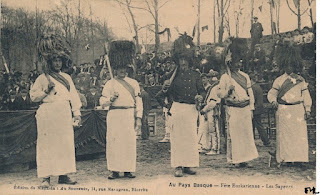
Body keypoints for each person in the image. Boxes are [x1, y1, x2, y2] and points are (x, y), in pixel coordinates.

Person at [30, 34, 81, 187]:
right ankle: (45, 177)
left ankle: (64, 174)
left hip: (64, 114)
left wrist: (77, 114)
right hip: (47, 115)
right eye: (55, 60)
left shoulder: (66, 77)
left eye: (60, 60)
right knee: (47, 144)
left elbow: (74, 97)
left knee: (64, 144)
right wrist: (46, 91)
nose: (57, 63)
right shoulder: (42, 78)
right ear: (49, 62)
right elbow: (33, 97)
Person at [159, 33, 206, 177]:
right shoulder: (171, 77)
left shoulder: (196, 75)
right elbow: (161, 96)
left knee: (191, 138)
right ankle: (178, 166)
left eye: (185, 60)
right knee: (177, 139)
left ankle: (188, 165)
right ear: (177, 60)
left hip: (191, 109)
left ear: (189, 60)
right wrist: (168, 106)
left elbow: (202, 92)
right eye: (181, 60)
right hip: (178, 109)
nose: (183, 63)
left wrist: (200, 97)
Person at [100, 40, 143, 179]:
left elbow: (138, 101)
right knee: (114, 142)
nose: (122, 71)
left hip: (128, 114)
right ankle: (114, 169)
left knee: (128, 142)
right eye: (119, 69)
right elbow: (102, 102)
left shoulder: (134, 83)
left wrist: (139, 118)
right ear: (115, 69)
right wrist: (110, 99)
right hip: (114, 115)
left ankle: (128, 169)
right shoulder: (109, 83)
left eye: (124, 68)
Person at [267, 44, 312, 167]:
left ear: (294, 65)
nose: (289, 67)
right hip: (284, 110)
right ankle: (286, 159)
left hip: (298, 109)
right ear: (283, 66)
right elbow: (272, 93)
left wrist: (307, 109)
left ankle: (299, 158)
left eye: (291, 65)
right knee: (285, 135)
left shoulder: (301, 80)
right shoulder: (279, 80)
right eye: (286, 65)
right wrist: (273, 101)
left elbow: (306, 96)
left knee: (299, 135)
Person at [217, 38, 259, 167]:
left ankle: (246, 158)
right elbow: (220, 94)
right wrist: (228, 92)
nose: (239, 64)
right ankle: (236, 159)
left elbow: (250, 93)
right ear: (231, 63)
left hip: (245, 108)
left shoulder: (245, 76)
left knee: (246, 134)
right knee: (235, 134)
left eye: (240, 61)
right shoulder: (225, 77)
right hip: (233, 109)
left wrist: (251, 108)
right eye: (236, 62)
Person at [200, 71, 221, 155]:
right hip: (209, 110)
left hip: (213, 110)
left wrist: (204, 110)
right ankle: (208, 146)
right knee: (208, 130)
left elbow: (213, 102)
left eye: (212, 77)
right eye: (209, 77)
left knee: (214, 130)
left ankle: (215, 148)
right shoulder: (213, 87)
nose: (210, 79)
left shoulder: (217, 87)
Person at [250, 73, 270, 147]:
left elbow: (253, 99)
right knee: (255, 125)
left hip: (255, 109)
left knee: (257, 126)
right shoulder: (258, 86)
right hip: (258, 108)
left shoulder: (253, 88)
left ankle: (266, 141)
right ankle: (253, 141)